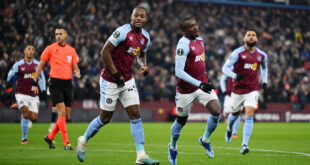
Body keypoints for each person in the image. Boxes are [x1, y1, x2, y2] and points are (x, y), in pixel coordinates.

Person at [76, 6, 160, 165]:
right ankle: (84, 139)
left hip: (127, 80)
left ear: (146, 19)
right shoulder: (122, 32)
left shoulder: (145, 37)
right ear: (132, 16)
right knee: (105, 118)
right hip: (110, 80)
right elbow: (105, 52)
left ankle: (141, 156)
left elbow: (141, 53)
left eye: (142, 16)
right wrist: (115, 74)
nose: (139, 18)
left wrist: (143, 65)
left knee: (135, 114)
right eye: (137, 15)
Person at [168, 16, 221, 165]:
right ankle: (172, 146)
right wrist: (199, 83)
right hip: (186, 91)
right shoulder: (183, 45)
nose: (196, 27)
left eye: (196, 24)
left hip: (202, 85)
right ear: (184, 30)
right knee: (181, 121)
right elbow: (178, 72)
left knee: (216, 111)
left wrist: (204, 80)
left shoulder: (201, 40)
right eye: (191, 26)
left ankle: (204, 139)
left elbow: (199, 63)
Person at [31, 26, 81, 150]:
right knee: (62, 112)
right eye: (56, 34)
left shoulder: (71, 50)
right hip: (55, 84)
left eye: (60, 34)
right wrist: (35, 82)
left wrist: (77, 72)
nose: (58, 36)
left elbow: (75, 66)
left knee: (66, 116)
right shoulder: (50, 49)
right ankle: (66, 143)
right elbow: (40, 66)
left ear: (66, 35)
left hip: (68, 84)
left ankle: (50, 136)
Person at [222, 28, 268, 155]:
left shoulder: (262, 55)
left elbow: (265, 67)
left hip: (252, 90)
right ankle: (230, 128)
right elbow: (224, 68)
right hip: (237, 90)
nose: (251, 37)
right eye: (249, 35)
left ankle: (244, 145)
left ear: (257, 39)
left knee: (249, 113)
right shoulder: (237, 53)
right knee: (234, 114)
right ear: (244, 39)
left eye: (254, 35)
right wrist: (235, 76)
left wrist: (264, 81)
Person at [7, 44, 46, 144]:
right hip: (21, 93)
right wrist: (7, 81)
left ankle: (19, 106)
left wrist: (43, 89)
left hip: (33, 95)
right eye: (29, 49)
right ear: (24, 51)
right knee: (25, 113)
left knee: (34, 118)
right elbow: (10, 74)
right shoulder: (18, 64)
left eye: (33, 49)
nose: (31, 51)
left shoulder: (37, 64)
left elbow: (41, 77)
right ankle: (24, 139)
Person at [220, 73, 241, 138]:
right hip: (229, 95)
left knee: (237, 113)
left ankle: (234, 133)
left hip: (237, 94)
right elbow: (222, 80)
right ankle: (229, 128)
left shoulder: (241, 69)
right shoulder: (229, 69)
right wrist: (224, 90)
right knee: (227, 113)